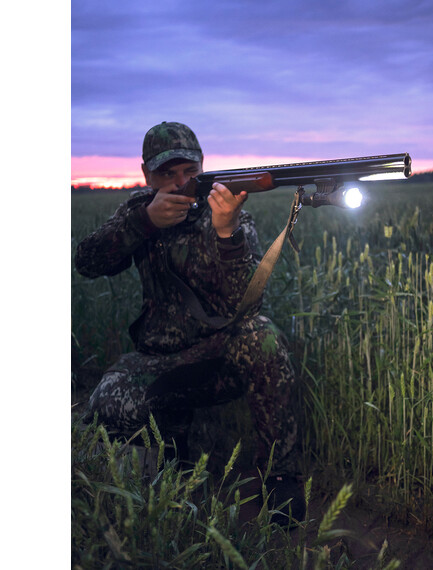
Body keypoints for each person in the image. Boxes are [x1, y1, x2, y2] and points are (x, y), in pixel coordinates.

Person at [75, 122, 302, 518]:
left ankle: (280, 478)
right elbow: (88, 262)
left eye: (189, 171)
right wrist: (145, 222)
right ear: (147, 175)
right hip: (157, 360)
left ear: (203, 166)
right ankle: (170, 447)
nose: (180, 182)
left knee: (262, 336)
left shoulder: (227, 213)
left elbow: (246, 304)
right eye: (167, 173)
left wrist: (226, 232)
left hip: (218, 356)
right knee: (105, 404)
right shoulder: (137, 211)